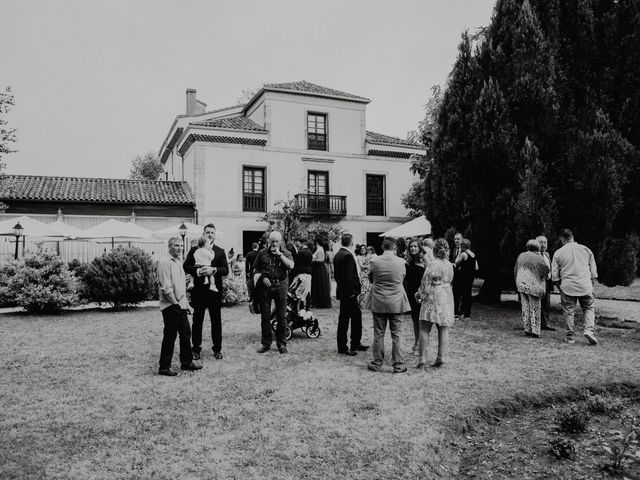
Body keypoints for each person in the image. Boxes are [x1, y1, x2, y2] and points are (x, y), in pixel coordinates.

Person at [183, 223, 229, 361]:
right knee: (197, 320)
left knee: (216, 321)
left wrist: (213, 270)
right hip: (198, 291)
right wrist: (197, 271)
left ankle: (217, 349)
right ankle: (196, 349)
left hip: (214, 291)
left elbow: (225, 270)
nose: (210, 235)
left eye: (212, 233)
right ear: (203, 234)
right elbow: (186, 266)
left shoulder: (220, 251)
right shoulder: (194, 249)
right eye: (207, 232)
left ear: (215, 235)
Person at [157, 237, 202, 376]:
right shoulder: (165, 263)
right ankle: (164, 367)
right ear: (169, 247)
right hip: (170, 305)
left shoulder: (178, 262)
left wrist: (186, 305)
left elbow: (181, 288)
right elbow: (166, 288)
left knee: (185, 333)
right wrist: (176, 304)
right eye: (177, 245)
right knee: (170, 336)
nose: (180, 248)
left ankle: (187, 363)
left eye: (181, 245)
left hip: (180, 305)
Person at [367, 237, 411, 374]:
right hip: (396, 301)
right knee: (397, 334)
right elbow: (403, 277)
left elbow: (370, 277)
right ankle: (398, 364)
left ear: (382, 246)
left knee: (378, 333)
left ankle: (377, 362)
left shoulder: (374, 261)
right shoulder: (401, 262)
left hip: (379, 300)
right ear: (395, 247)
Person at [551, 228, 599, 345]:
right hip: (585, 285)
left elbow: (555, 275)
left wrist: (560, 287)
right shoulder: (586, 250)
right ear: (572, 237)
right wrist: (591, 284)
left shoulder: (558, 253)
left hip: (568, 286)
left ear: (562, 238)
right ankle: (589, 330)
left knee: (568, 311)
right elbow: (593, 272)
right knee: (588, 308)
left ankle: (570, 337)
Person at [415, 238, 455, 368]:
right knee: (443, 328)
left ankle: (422, 358)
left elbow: (425, 283)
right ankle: (441, 356)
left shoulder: (433, 264)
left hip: (433, 296)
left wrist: (419, 295)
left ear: (435, 250)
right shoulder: (450, 265)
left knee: (424, 327)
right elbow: (449, 280)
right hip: (446, 296)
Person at [254, 231, 295, 354]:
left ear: (281, 241)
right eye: (272, 241)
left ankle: (281, 344)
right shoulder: (262, 253)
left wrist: (280, 255)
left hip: (281, 285)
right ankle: (266, 343)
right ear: (268, 241)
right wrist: (262, 277)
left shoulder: (286, 253)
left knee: (281, 316)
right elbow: (255, 269)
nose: (274, 243)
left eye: (277, 241)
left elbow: (291, 266)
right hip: (265, 286)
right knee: (265, 316)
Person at [333, 234, 368, 356]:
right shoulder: (347, 255)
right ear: (351, 243)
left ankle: (355, 343)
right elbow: (349, 277)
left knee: (354, 316)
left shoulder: (338, 254)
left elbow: (337, 275)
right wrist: (352, 292)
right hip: (349, 292)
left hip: (343, 290)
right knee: (345, 319)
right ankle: (344, 346)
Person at [514, 239, 550, 338]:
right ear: (537, 247)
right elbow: (545, 270)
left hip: (521, 284)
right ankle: (535, 330)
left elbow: (515, 269)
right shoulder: (537, 258)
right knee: (535, 308)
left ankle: (527, 328)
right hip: (533, 286)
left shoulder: (521, 255)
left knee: (525, 307)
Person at [404, 238, 426, 356]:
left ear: (419, 248)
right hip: (412, 295)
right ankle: (416, 344)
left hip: (422, 295)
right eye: (411, 246)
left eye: (415, 246)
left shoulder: (424, 262)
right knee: (415, 321)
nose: (413, 248)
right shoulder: (408, 263)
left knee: (422, 322)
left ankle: (421, 345)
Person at [536, 235, 556, 331]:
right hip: (537, 282)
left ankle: (545, 324)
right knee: (536, 303)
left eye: (545, 242)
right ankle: (535, 324)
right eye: (541, 242)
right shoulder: (533, 255)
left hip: (547, 283)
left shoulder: (547, 255)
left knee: (546, 305)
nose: (543, 244)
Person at [453, 239, 477, 319]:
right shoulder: (473, 254)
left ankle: (455, 313)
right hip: (470, 278)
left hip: (462, 278)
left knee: (457, 295)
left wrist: (459, 252)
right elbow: (477, 267)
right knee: (467, 295)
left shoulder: (464, 254)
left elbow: (456, 262)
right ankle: (467, 314)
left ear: (462, 246)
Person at [288, 238, 312, 311]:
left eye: (298, 243)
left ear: (302, 243)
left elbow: (297, 264)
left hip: (301, 274)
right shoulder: (310, 251)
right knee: (307, 291)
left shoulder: (301, 252)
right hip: (308, 273)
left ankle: (299, 307)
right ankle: (307, 306)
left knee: (299, 291)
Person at [311, 238, 332, 308]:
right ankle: (317, 302)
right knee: (318, 284)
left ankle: (319, 303)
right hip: (318, 268)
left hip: (319, 268)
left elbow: (320, 259)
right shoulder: (319, 249)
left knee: (319, 284)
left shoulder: (320, 249)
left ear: (317, 242)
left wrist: (313, 260)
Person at [245, 242, 260, 314]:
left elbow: (247, 264)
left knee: (253, 289)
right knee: (259, 289)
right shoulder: (260, 253)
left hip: (252, 273)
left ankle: (255, 307)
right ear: (258, 246)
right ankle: (258, 307)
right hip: (259, 273)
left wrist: (247, 272)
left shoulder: (249, 254)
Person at [356, 244, 371, 309]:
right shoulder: (359, 257)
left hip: (368, 274)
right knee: (363, 290)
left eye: (364, 248)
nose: (363, 250)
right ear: (360, 250)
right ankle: (362, 304)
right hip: (363, 274)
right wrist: (369, 266)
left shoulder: (368, 256)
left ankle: (367, 304)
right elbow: (361, 266)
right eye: (361, 249)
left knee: (368, 289)